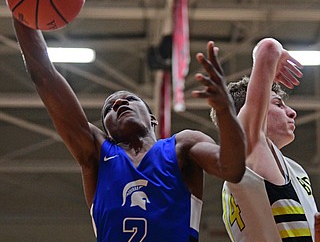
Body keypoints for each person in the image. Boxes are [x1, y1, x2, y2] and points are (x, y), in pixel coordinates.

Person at [12, 16, 246, 242]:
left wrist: (225, 110)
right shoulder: (96, 154)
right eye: (108, 109)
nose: (119, 103)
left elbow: (232, 168)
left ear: (152, 118)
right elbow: (44, 76)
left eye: (129, 99)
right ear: (107, 130)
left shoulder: (183, 145)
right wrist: (22, 10)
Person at [214, 38, 318, 241]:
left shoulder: (287, 167)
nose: (292, 112)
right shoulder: (249, 146)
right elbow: (267, 48)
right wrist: (272, 56)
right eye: (278, 104)